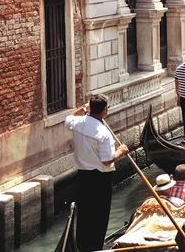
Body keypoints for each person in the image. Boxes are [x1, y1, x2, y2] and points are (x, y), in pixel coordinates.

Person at [65, 95, 129, 252]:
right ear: (105, 110)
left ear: (90, 108)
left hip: (83, 177)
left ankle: (81, 246)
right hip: (101, 180)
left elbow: (68, 119)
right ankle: (95, 248)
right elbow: (107, 160)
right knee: (99, 217)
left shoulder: (78, 123)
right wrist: (121, 151)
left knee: (85, 215)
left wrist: (83, 109)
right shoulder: (103, 133)